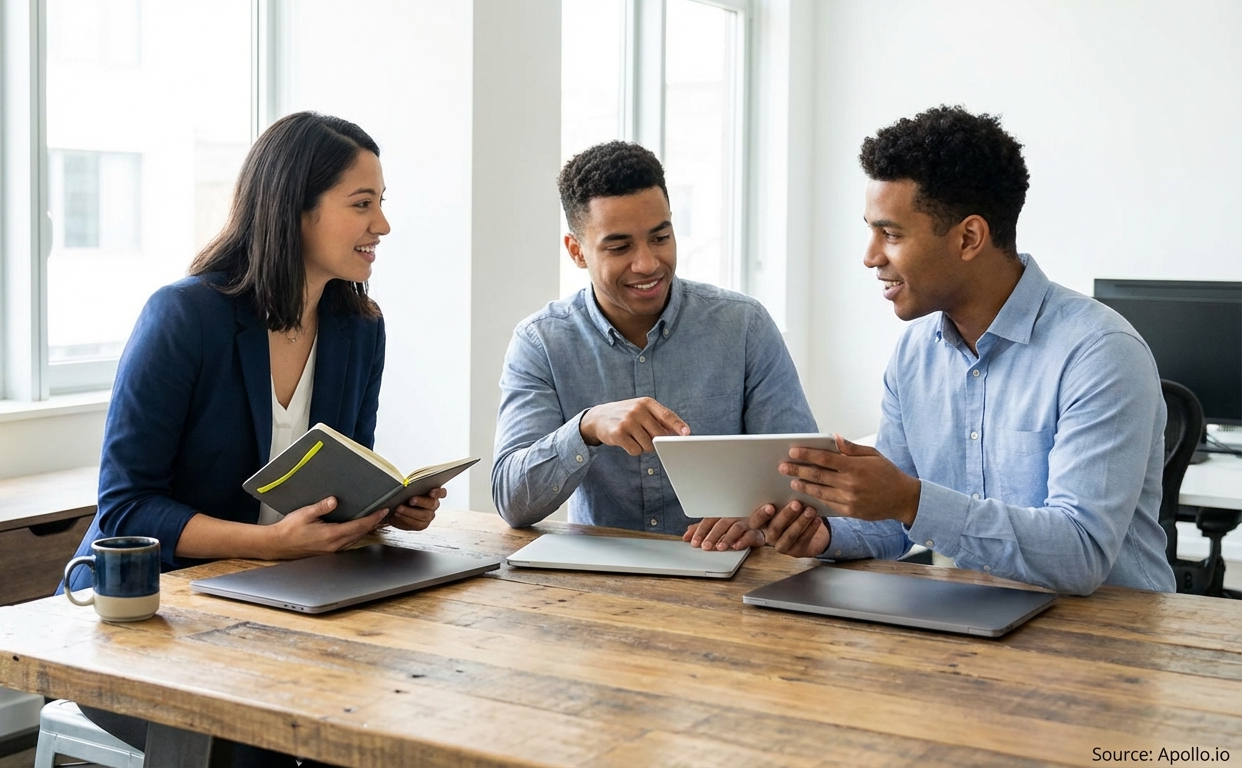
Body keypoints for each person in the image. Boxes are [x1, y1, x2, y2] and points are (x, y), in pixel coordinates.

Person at [63, 112, 446, 766]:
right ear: (295, 208)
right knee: (270, 743)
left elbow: (338, 476)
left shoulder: (359, 328)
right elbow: (125, 508)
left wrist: (386, 507)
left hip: (285, 602)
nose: (381, 225)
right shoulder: (184, 317)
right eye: (362, 205)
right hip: (153, 613)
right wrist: (270, 544)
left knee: (394, 710)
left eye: (381, 205)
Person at [742, 105, 1173, 595]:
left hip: (1112, 639)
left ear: (969, 237)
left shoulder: (1099, 353)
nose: (870, 256)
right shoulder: (914, 355)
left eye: (891, 233)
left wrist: (910, 500)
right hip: (972, 625)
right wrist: (822, 534)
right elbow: (892, 523)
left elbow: (1081, 553)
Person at [491, 141, 815, 540]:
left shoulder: (743, 326)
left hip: (729, 572)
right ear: (577, 251)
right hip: (597, 585)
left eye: (660, 238)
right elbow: (512, 502)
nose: (647, 263)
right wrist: (586, 428)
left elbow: (802, 479)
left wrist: (759, 522)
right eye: (620, 246)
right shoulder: (541, 342)